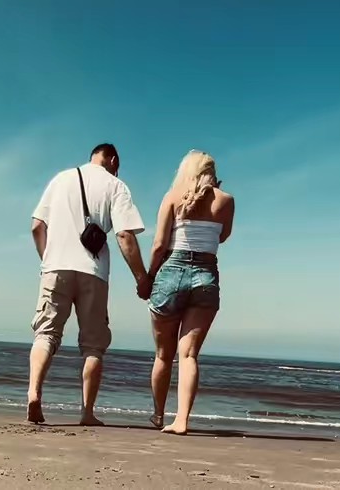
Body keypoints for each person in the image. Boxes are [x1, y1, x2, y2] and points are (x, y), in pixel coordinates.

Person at [28, 143, 151, 426]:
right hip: (93, 272)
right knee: (93, 345)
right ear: (113, 160)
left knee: (46, 333)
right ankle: (87, 413)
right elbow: (124, 236)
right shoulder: (116, 186)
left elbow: (37, 225)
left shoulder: (61, 178)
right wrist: (141, 278)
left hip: (55, 267)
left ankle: (34, 393)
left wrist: (47, 259)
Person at [146, 150, 235, 435]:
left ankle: (159, 415)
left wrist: (148, 277)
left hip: (172, 271)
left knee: (163, 355)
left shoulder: (173, 196)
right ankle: (182, 420)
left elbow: (159, 245)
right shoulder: (226, 200)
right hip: (206, 275)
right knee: (189, 355)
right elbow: (222, 236)